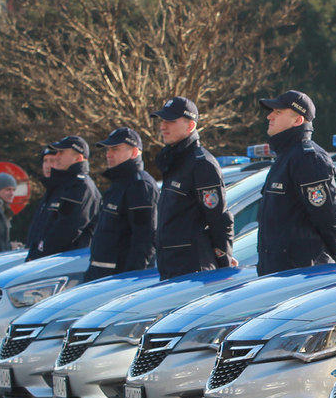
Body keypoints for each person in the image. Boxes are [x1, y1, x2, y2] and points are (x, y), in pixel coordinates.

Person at [256, 90, 336, 275]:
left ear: (298, 120)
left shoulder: (308, 158)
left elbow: (328, 214)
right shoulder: (285, 157)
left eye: (278, 112)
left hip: (301, 274)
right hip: (279, 271)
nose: (269, 116)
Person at [152, 96, 234, 280]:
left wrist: (224, 263)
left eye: (171, 121)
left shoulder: (201, 164)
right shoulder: (174, 163)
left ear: (190, 126)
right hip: (171, 268)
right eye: (162, 121)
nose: (163, 126)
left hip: (194, 271)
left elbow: (219, 218)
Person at [84, 127, 159, 282]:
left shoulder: (140, 185)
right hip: (101, 276)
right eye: (108, 150)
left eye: (115, 149)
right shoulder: (118, 185)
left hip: (119, 280)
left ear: (133, 152)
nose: (108, 154)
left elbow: (145, 238)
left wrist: (130, 279)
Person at [26, 136, 100, 261]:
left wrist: (39, 255)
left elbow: (66, 230)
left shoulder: (81, 187)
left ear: (78, 158)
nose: (57, 156)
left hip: (63, 264)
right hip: (47, 261)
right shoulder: (60, 186)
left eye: (62, 152)